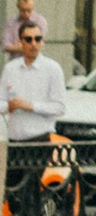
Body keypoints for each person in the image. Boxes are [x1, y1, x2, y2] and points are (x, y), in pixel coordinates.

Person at [0, 11, 66, 145]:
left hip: (41, 138)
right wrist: (9, 106)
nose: (34, 44)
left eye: (38, 39)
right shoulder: (10, 68)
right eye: (28, 39)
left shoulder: (52, 68)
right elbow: (1, 101)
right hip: (14, 139)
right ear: (20, 42)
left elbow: (59, 107)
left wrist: (30, 106)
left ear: (43, 41)